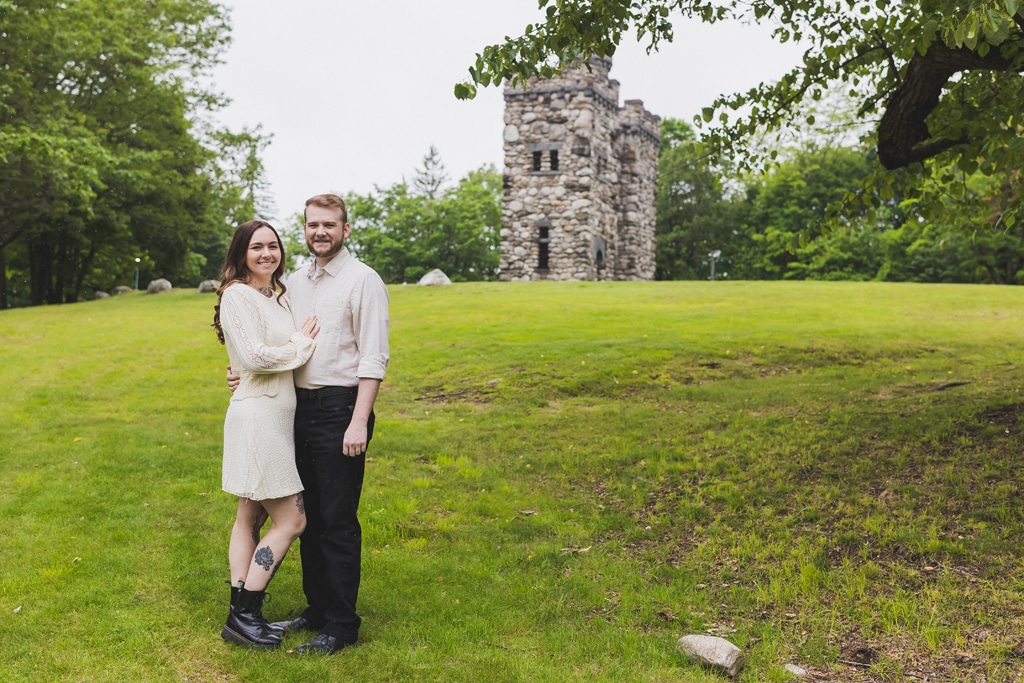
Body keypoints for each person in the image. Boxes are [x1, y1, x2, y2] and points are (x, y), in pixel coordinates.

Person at [229, 194, 390, 654]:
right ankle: (317, 609)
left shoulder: (363, 280)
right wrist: (242, 373)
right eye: (312, 224)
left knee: (336, 520)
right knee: (308, 517)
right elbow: (272, 342)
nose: (320, 232)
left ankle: (341, 625)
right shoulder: (294, 283)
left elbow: (374, 357)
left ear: (345, 229)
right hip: (295, 410)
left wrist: (358, 421)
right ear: (304, 229)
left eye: (329, 224)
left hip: (340, 410)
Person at [213, 220, 320, 650]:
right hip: (258, 419)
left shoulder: (275, 296)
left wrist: (244, 369)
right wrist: (301, 345)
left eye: (273, 246)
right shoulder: (237, 294)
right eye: (256, 247)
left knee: (250, 516)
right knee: (292, 520)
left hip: (274, 416)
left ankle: (239, 613)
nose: (266, 254)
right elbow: (255, 357)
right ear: (241, 253)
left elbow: (251, 360)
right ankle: (245, 614)